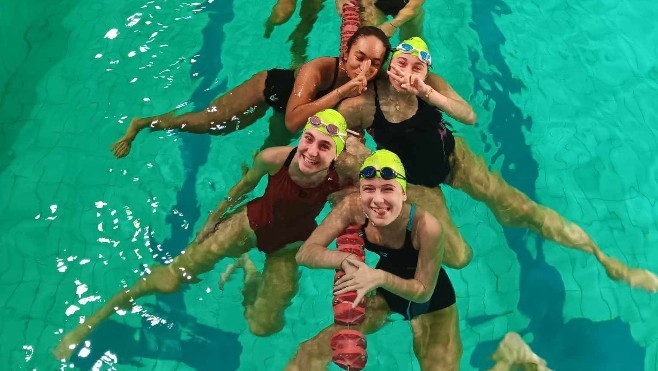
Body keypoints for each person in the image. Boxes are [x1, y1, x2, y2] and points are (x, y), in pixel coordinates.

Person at [338, 36, 658, 292]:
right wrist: (358, 164)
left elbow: (469, 116)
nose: (408, 71)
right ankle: (397, 246)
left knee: (524, 209)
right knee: (460, 257)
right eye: (401, 62)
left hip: (454, 158)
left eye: (417, 67)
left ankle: (605, 259)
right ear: (391, 62)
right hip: (416, 185)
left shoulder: (430, 84)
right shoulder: (365, 105)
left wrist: (426, 92)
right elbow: (333, 135)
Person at [54, 110, 358, 361]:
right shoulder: (274, 157)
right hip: (249, 225)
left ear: (336, 154)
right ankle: (91, 322)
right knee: (171, 278)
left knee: (263, 326)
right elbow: (243, 187)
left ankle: (247, 268)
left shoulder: (341, 177)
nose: (312, 151)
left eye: (324, 146)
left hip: (289, 245)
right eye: (308, 139)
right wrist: (211, 221)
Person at [287, 149, 461, 370]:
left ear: (404, 193)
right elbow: (305, 253)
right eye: (369, 189)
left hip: (433, 301)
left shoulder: (427, 227)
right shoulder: (353, 207)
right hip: (384, 294)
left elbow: (423, 292)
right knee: (313, 351)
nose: (378, 200)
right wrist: (345, 259)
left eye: (388, 189)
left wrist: (379, 277)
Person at [110, 26, 390, 158]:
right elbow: (295, 120)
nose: (365, 67)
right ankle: (145, 123)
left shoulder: (373, 78)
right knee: (213, 124)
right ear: (345, 53)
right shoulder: (316, 71)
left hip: (298, 109)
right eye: (359, 57)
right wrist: (343, 91)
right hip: (269, 90)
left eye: (374, 62)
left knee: (271, 154)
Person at [336, 0, 426, 39]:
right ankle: (379, 72)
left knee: (413, 37)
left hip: (404, 4)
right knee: (369, 37)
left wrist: (392, 25)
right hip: (373, 4)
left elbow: (413, 7)